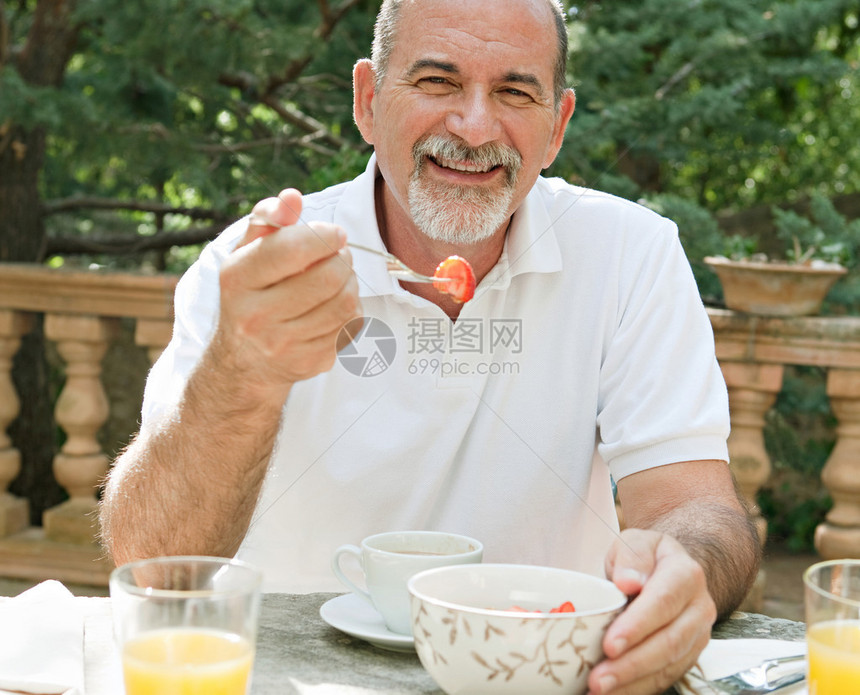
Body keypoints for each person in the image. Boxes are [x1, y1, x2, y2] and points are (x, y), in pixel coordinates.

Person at [99, 0, 760, 693]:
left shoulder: (631, 254)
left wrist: (687, 568)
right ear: (367, 100)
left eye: (514, 91)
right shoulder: (252, 267)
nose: (475, 127)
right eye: (438, 82)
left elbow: (699, 509)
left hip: (539, 676)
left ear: (557, 125)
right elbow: (151, 561)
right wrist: (243, 371)